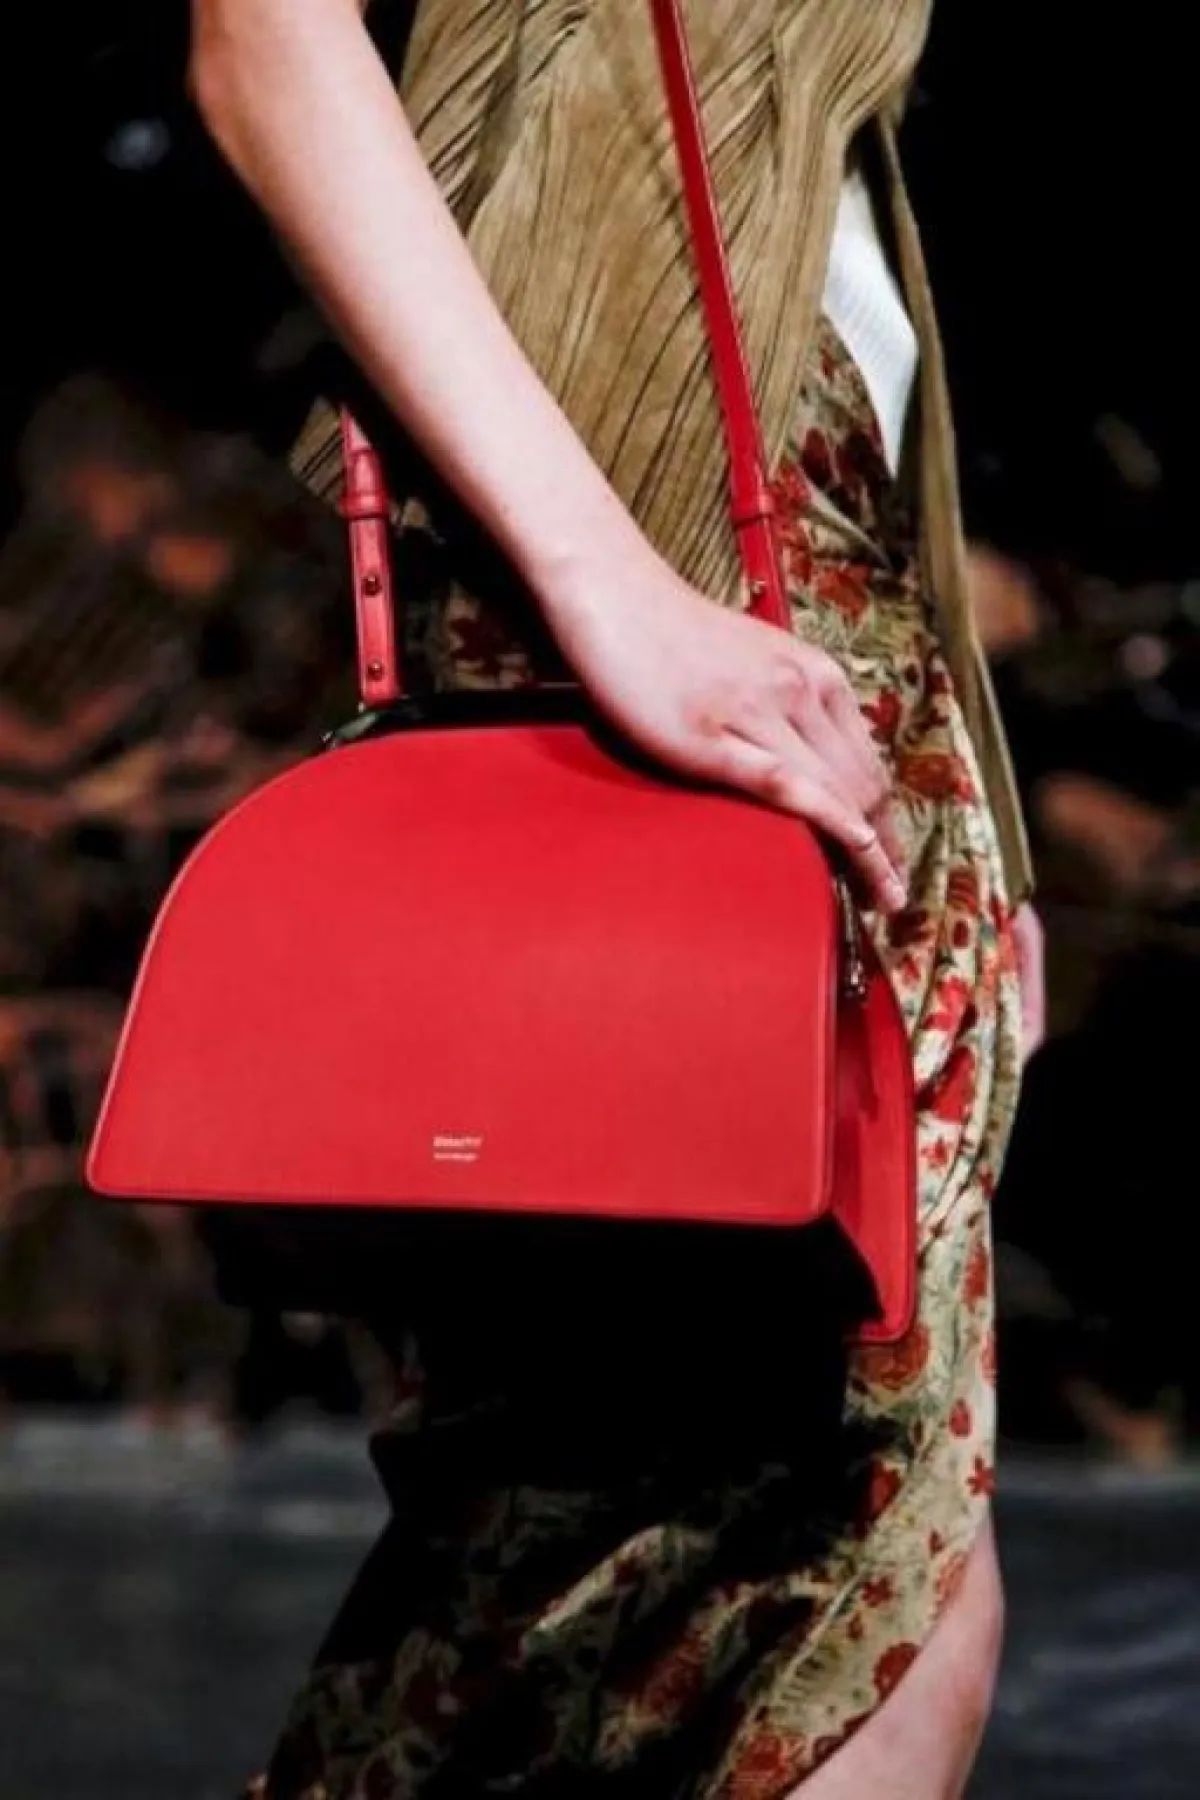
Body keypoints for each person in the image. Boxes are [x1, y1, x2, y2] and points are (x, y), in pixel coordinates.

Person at [188, 2, 1043, 1795]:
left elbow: (834, 269)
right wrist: (616, 586)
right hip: (652, 562)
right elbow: (265, 29)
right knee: (817, 1604)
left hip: (802, 601)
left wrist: (973, 786)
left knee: (649, 1608)